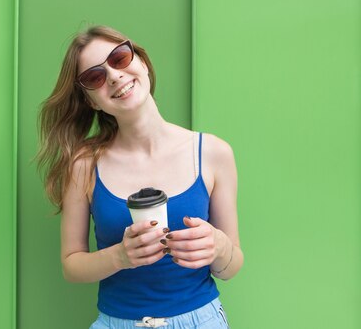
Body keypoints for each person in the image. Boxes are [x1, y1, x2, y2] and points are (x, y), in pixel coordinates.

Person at [37, 25, 243, 328]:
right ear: (92, 101)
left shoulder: (213, 153)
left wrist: (218, 245)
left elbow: (231, 266)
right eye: (95, 76)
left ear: (142, 62)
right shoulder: (83, 166)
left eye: (119, 58)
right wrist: (120, 256)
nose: (114, 75)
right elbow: (72, 265)